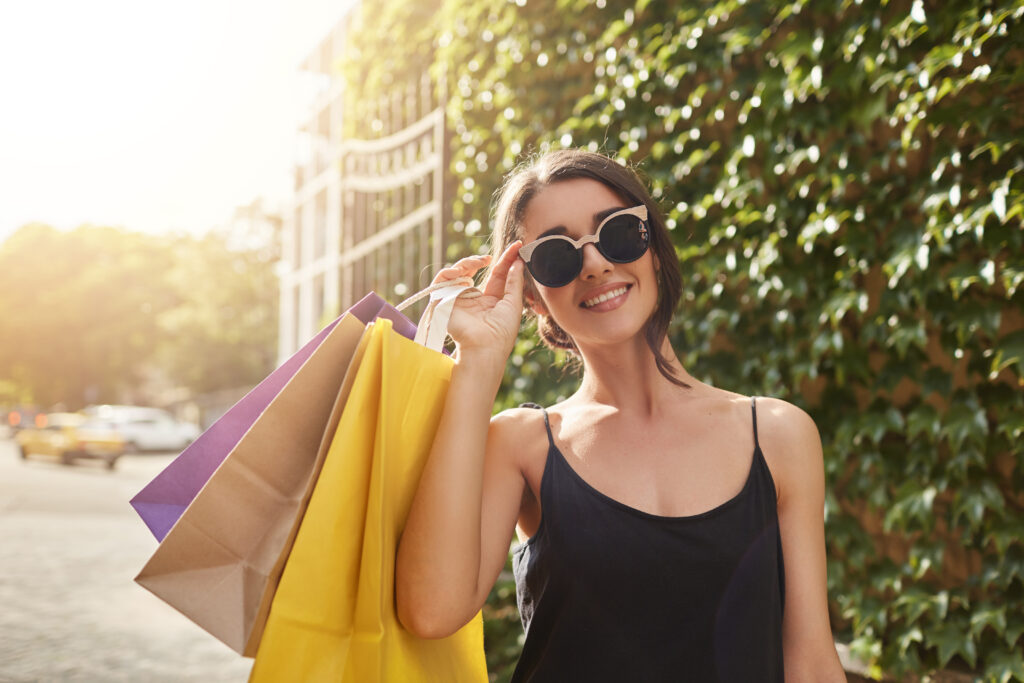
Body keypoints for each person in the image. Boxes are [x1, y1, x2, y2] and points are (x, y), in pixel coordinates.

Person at [396, 148, 846, 682]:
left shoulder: (778, 435)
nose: (595, 264)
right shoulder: (521, 445)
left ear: (653, 247)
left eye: (618, 231)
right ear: (533, 297)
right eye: (557, 255)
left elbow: (812, 664)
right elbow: (430, 610)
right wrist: (477, 361)